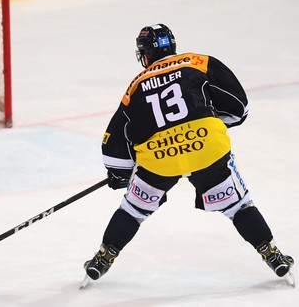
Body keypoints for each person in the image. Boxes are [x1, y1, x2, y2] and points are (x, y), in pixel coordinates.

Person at [83, 24, 294, 284]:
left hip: (159, 159)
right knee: (239, 206)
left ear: (145, 54)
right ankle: (271, 254)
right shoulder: (200, 62)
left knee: (132, 210)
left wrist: (119, 173)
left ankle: (104, 256)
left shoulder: (135, 86)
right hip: (206, 148)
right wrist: (208, 123)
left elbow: (115, 140)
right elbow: (239, 106)